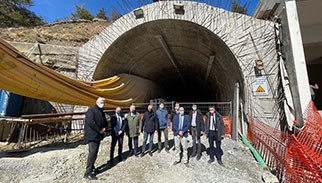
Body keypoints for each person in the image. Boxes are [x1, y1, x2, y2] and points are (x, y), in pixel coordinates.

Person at [84, 97, 108, 180]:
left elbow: (104, 121)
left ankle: (92, 168)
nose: (103, 103)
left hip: (98, 136)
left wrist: (105, 127)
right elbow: (91, 122)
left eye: (104, 102)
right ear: (97, 102)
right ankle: (88, 173)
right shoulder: (91, 110)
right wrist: (99, 130)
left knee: (95, 153)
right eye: (102, 102)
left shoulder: (100, 111)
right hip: (92, 135)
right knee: (92, 153)